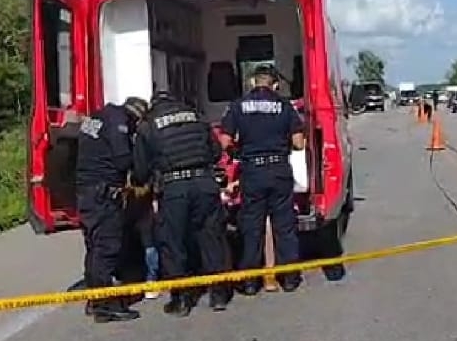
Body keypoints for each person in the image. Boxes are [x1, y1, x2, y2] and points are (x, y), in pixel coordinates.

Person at [132, 90, 232, 315]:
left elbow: (140, 169)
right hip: (205, 184)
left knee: (172, 243)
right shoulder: (196, 116)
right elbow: (216, 153)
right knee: (211, 238)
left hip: (174, 188)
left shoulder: (148, 125)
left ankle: (182, 299)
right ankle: (218, 294)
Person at [219, 64, 306, 295]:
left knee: (252, 227)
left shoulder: (237, 107)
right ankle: (289, 277)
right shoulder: (284, 106)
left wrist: (241, 148)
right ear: (275, 84)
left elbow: (224, 142)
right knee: (284, 226)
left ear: (252, 83)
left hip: (253, 172)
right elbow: (299, 143)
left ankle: (250, 282)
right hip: (278, 170)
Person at [74, 96, 150, 323]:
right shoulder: (119, 121)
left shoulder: (96, 117)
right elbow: (122, 160)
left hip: (86, 191)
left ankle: (95, 299)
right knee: (107, 248)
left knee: (94, 248)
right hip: (103, 194)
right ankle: (105, 305)